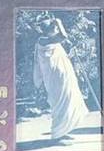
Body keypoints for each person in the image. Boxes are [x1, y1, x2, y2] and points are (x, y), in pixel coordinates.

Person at [33, 12, 88, 141]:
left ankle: (63, 131)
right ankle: (57, 134)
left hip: (62, 76)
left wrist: (71, 54)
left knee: (67, 101)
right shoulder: (43, 40)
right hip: (55, 78)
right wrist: (58, 21)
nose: (56, 29)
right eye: (54, 28)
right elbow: (63, 36)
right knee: (59, 103)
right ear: (48, 30)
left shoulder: (51, 41)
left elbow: (58, 56)